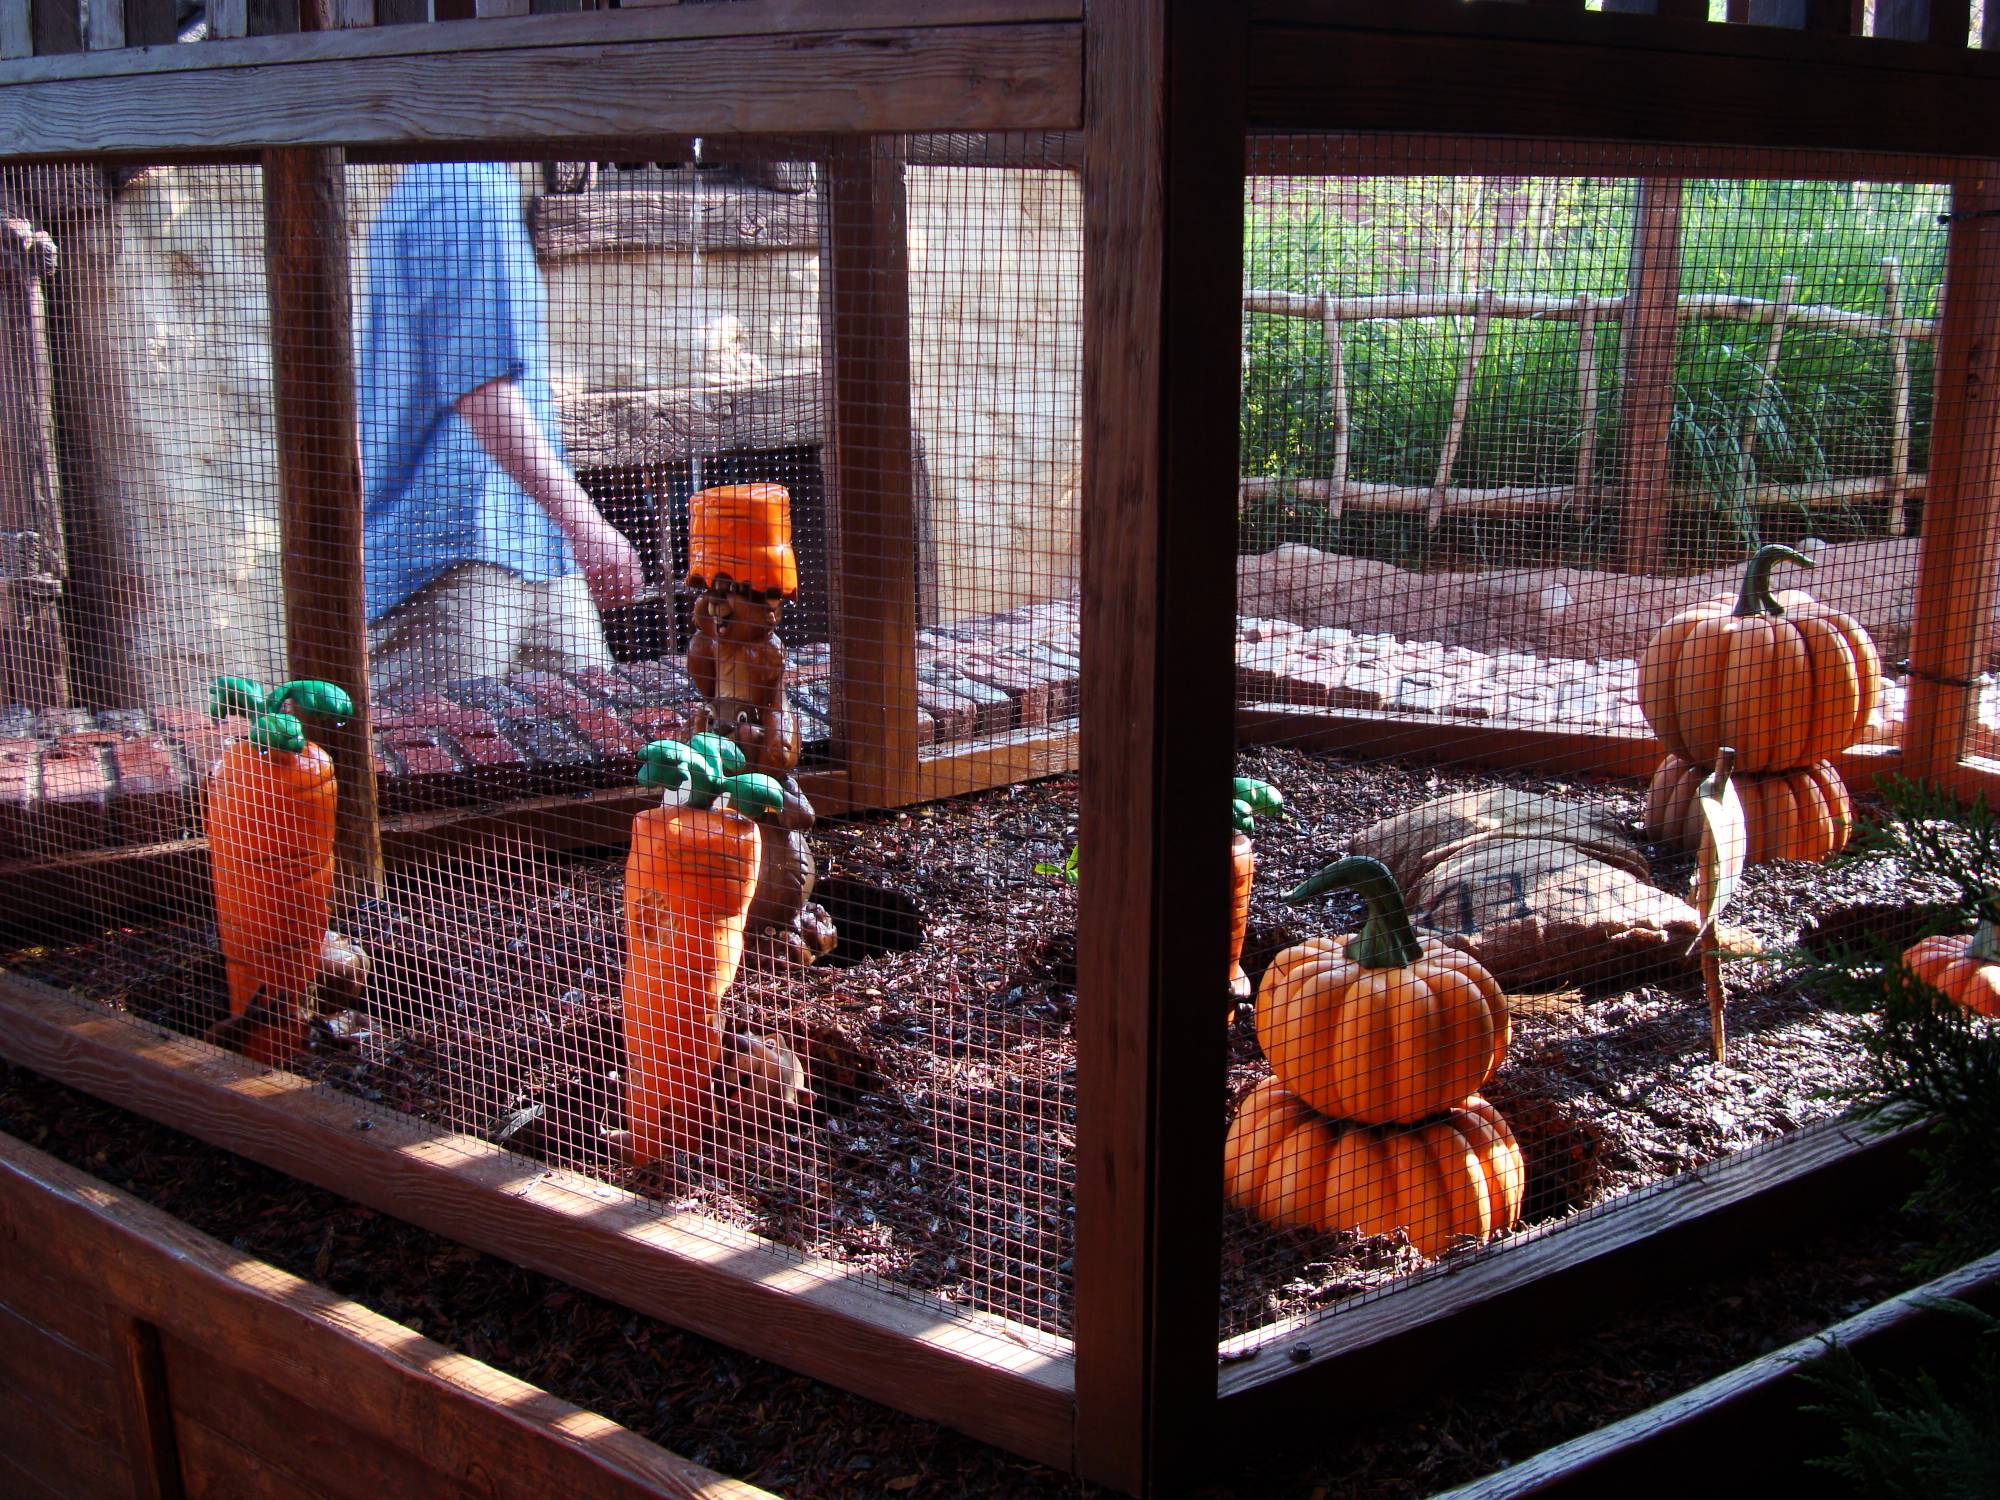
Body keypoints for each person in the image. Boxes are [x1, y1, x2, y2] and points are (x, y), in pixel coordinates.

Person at [358, 161, 646, 702]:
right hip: (448, 560)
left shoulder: (464, 183)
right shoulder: (460, 183)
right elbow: (479, 387)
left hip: (532, 548)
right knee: (443, 772)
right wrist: (589, 528)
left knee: (598, 743)